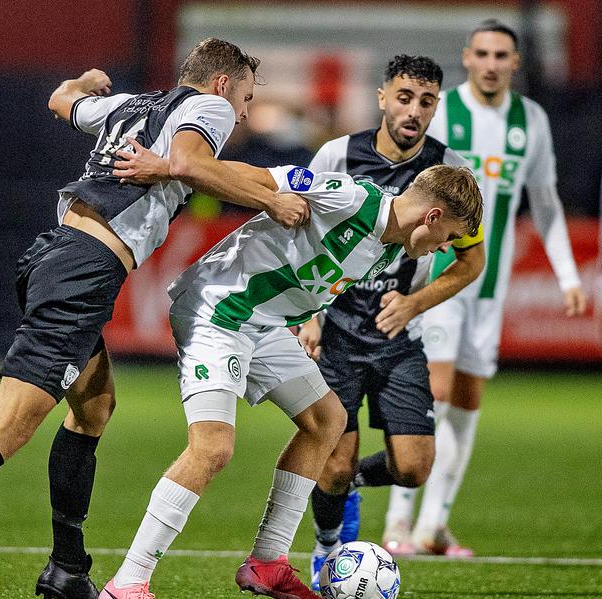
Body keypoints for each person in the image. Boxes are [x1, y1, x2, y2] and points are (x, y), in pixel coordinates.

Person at [0, 38, 315, 599]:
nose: (245, 111)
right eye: (247, 96)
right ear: (223, 84)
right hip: (83, 270)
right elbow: (192, 163)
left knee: (95, 407)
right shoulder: (211, 108)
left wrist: (84, 83)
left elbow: (61, 102)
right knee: (10, 424)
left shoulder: (133, 104)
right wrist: (269, 201)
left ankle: (67, 568)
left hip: (56, 256)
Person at [97, 160, 483, 599]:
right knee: (213, 447)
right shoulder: (348, 196)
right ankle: (127, 582)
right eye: (449, 236)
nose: (445, 248)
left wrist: (311, 316)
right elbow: (263, 177)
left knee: (327, 420)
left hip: (263, 325)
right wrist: (169, 166)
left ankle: (267, 563)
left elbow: (314, 270)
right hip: (220, 312)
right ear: (432, 216)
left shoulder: (391, 247)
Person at [383, 20, 587, 557]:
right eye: (483, 53)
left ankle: (433, 527)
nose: (493, 63)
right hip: (443, 275)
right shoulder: (441, 110)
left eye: (503, 54)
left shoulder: (531, 120)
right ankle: (397, 523)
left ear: (515, 63)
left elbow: (544, 201)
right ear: (467, 58)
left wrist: (568, 275)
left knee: (469, 401)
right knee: (439, 391)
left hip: (490, 286)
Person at [294, 55, 485, 587]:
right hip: (335, 332)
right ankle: (327, 550)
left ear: (436, 107)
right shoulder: (338, 154)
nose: (413, 111)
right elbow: (304, 230)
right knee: (329, 462)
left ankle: (342, 481)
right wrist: (310, 312)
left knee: (413, 468)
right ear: (382, 98)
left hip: (399, 336)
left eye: (426, 102)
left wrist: (414, 304)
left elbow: (473, 259)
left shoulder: (450, 172)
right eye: (404, 97)